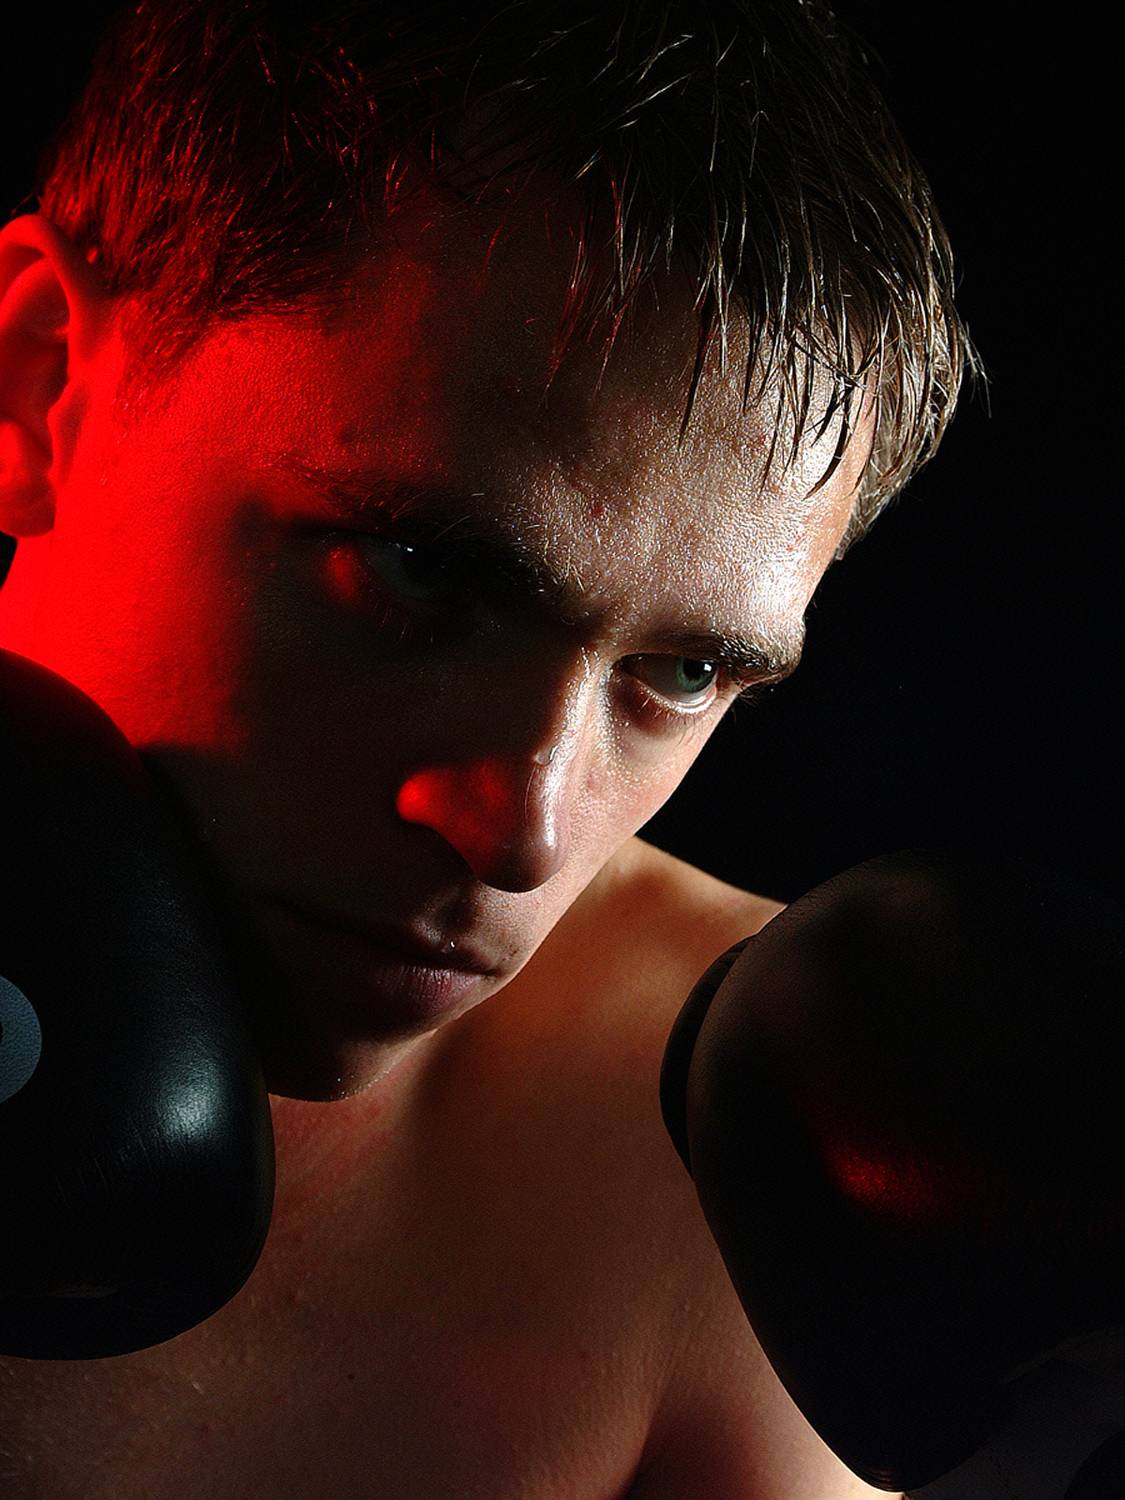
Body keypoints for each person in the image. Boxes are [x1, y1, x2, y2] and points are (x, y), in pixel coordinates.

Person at [0, 1, 976, 1493]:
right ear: (43, 381)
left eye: (685, 671)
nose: (522, 827)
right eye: (419, 570)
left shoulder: (729, 1177)